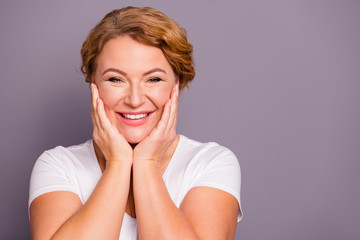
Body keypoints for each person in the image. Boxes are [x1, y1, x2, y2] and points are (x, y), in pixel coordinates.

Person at [29, 6, 242, 240]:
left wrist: (147, 162)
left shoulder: (210, 163)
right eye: (116, 79)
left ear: (176, 86)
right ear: (94, 86)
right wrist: (118, 163)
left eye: (153, 79)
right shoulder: (58, 165)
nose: (135, 100)